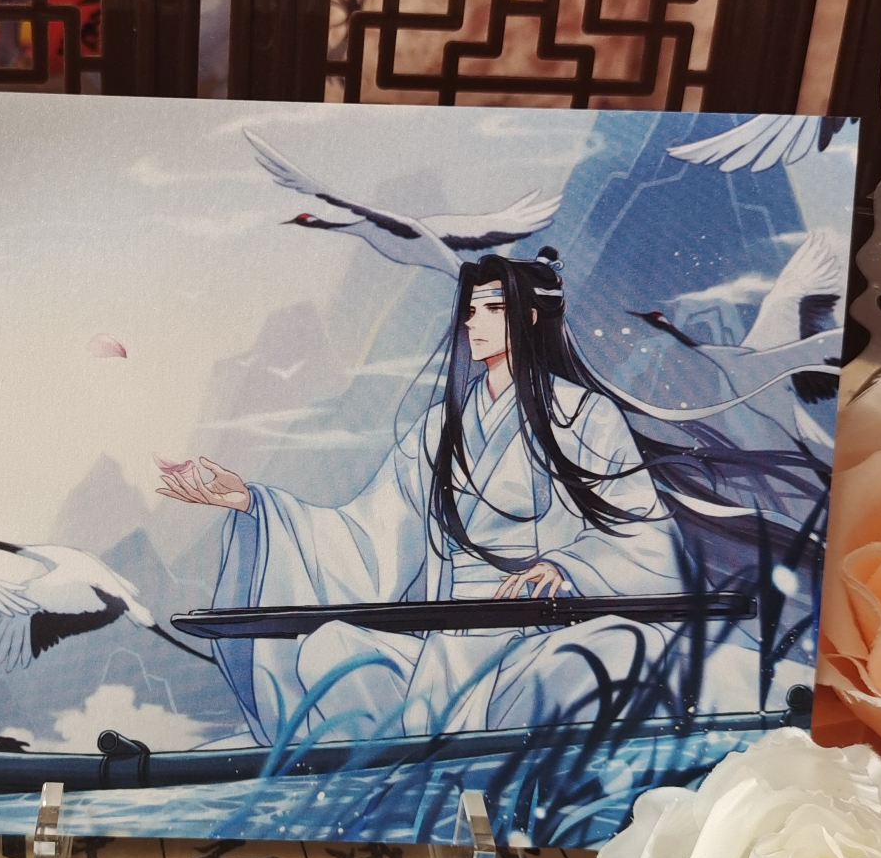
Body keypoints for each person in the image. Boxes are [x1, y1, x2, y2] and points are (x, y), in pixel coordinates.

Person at [157, 252, 684, 749]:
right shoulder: (439, 429)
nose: (474, 323)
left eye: (492, 309)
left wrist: (565, 564)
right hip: (449, 632)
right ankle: (383, 775)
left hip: (535, 629)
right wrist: (256, 504)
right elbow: (372, 532)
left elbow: (645, 533)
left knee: (612, 651)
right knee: (328, 648)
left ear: (528, 316)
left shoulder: (584, 416)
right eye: (469, 311)